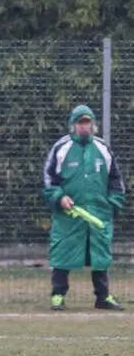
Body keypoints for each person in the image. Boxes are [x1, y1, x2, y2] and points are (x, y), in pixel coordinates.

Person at [42, 105, 126, 311]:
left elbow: (116, 181)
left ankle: (103, 297)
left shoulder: (103, 148)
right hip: (68, 215)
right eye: (80, 123)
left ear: (93, 125)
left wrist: (112, 206)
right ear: (73, 125)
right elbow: (48, 180)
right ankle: (58, 296)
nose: (84, 127)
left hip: (98, 214)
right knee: (63, 253)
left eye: (87, 122)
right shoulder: (61, 148)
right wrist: (59, 198)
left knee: (101, 256)